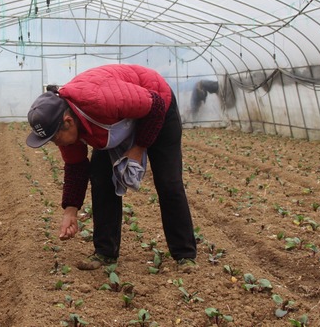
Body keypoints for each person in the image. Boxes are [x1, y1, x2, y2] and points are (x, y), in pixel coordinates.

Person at [26, 64, 198, 273]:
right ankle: (105, 252)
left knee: (168, 181)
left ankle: (184, 254)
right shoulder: (66, 127)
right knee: (101, 177)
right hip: (120, 117)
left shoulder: (99, 99)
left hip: (157, 106)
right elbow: (76, 167)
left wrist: (138, 148)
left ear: (68, 122)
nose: (55, 143)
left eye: (54, 138)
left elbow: (156, 105)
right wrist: (70, 210)